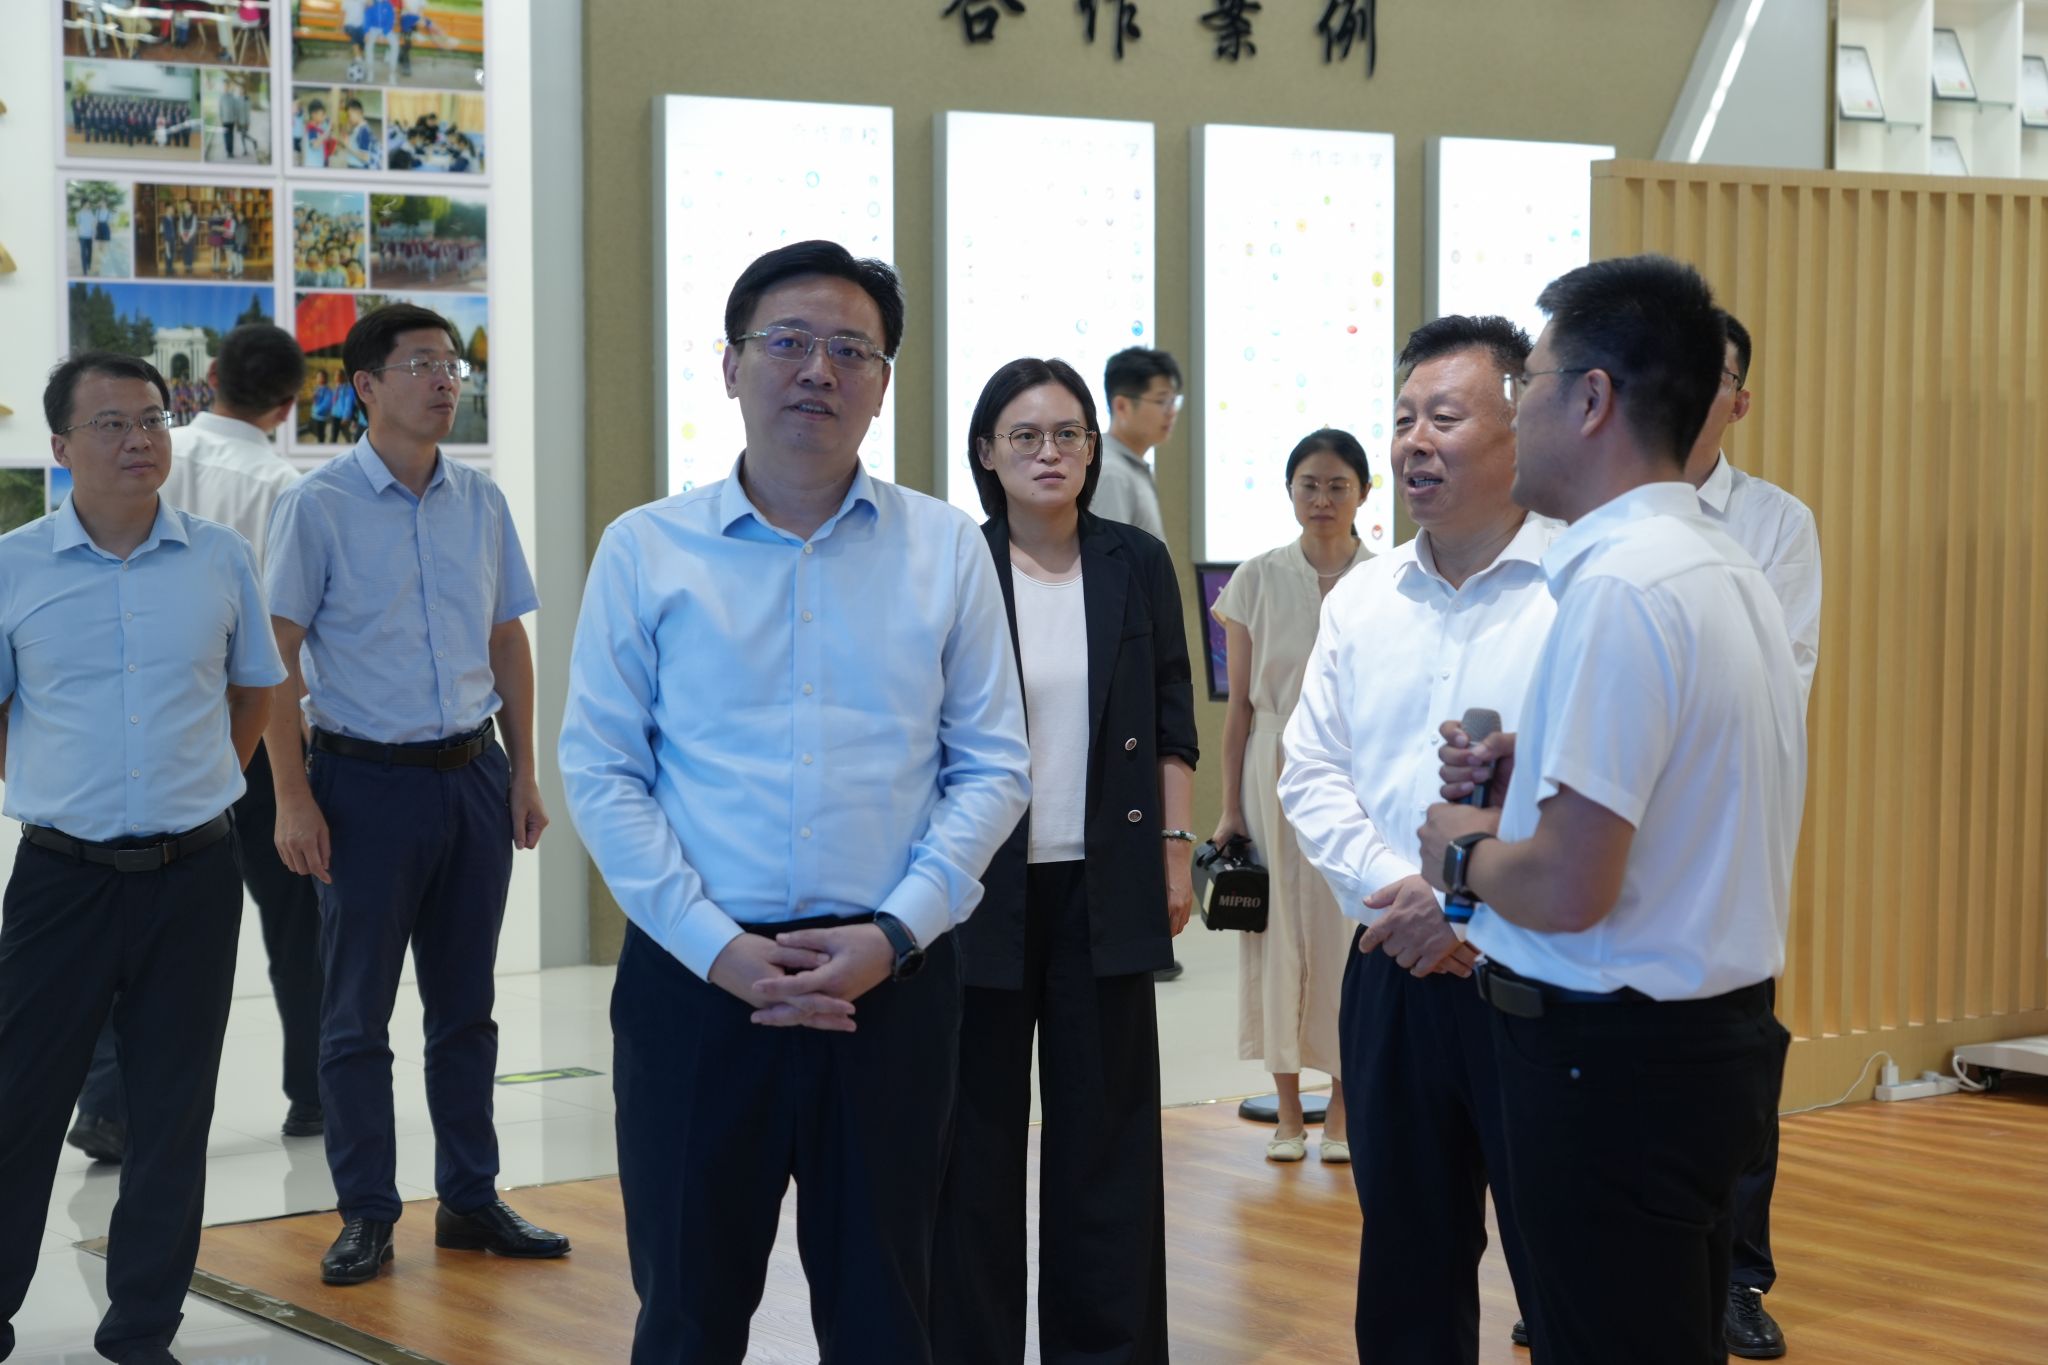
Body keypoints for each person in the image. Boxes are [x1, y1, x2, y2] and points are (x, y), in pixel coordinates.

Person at [559, 239, 1031, 1364]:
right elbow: (603, 770)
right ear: (731, 366)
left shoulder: (946, 549)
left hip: (889, 989)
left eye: (850, 350)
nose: (818, 369)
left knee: (886, 1312)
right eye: (787, 342)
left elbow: (993, 766)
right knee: (686, 1313)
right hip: (696, 989)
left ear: (881, 383)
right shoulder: (645, 549)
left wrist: (896, 932)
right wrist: (715, 948)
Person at [1418, 256, 1806, 1365]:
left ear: (1590, 399)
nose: (1512, 412)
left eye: (1525, 384)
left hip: (1611, 1065)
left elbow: (1569, 886)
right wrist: (1534, 769)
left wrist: (1461, 852)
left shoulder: (1620, 588)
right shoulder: (1715, 562)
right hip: (1702, 1047)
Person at [263, 303, 566, 1286]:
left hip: (471, 777)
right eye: (422, 364)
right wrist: (293, 798)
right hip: (361, 785)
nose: (445, 381)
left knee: (466, 1008)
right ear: (365, 386)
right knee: (355, 1015)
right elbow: (276, 658)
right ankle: (366, 1212)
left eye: (453, 365)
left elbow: (506, 638)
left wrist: (523, 769)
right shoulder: (317, 506)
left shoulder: (480, 501)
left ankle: (470, 1198)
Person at [0, 352, 285, 1364]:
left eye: (154, 420)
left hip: (194, 876)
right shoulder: (14, 565)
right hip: (60, 878)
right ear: (61, 445)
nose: (138, 440)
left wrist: (201, 785)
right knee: (20, 1103)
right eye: (112, 423)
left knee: (173, 1109)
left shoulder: (220, 558)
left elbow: (255, 692)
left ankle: (142, 1329)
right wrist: (59, 791)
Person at [1279, 316, 1553, 1362]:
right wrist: (1404, 896)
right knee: (1405, 1258)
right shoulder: (1362, 599)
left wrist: (1463, 911)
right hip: (1390, 961)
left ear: (1519, 427)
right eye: (1402, 420)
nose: (1413, 443)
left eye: (1444, 417)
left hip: (1531, 968)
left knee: (1560, 1258)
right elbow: (1310, 770)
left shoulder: (1578, 588)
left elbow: (1592, 788)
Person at [930, 357, 1197, 1365]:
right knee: (973, 1147)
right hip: (975, 885)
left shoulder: (1135, 560)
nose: (1050, 452)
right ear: (986, 453)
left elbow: (1171, 719)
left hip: (1106, 881)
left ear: (1093, 446)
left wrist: (1174, 853)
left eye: (1068, 433)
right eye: (1025, 435)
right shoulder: (955, 562)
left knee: (1108, 1143)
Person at [68, 325, 325, 1164]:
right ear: (289, 404)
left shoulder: (151, 463)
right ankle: (313, 1091)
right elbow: (285, 636)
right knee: (297, 920)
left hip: (152, 733)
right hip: (258, 728)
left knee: (126, 921)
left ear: (207, 378)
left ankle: (110, 1106)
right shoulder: (283, 487)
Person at [1682, 310, 1822, 1362]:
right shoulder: (1582, 517)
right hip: (1606, 839)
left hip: (1728, 832)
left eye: (1716, 372)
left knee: (1735, 1066)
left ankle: (1736, 1278)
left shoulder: (1774, 523)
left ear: (1739, 397)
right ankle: (1589, 1272)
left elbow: (1780, 680)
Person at [1210, 429, 1372, 1164]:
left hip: (1355, 765)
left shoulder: (1385, 579)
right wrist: (1228, 808)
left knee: (1346, 933)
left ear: (1364, 493)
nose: (1323, 499)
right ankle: (1284, 1112)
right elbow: (1239, 709)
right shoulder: (1256, 577)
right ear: (1289, 491)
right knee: (1273, 937)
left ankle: (1341, 1108)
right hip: (1270, 763)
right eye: (1309, 484)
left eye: (1338, 485)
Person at [1091, 346, 1178, 547]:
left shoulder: (1130, 467)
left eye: (1173, 401)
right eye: (1162, 401)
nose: (1172, 411)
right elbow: (1109, 558)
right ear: (1122, 406)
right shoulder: (1112, 473)